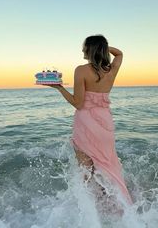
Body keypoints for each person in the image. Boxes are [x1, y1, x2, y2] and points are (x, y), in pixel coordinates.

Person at [43, 35, 133, 206]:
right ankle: (113, 202)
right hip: (105, 123)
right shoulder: (111, 70)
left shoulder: (81, 70)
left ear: (89, 50)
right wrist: (102, 48)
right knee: (107, 164)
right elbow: (119, 54)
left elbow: (78, 104)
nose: (82, 50)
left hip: (86, 122)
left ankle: (87, 208)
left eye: (85, 47)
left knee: (85, 169)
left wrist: (59, 88)